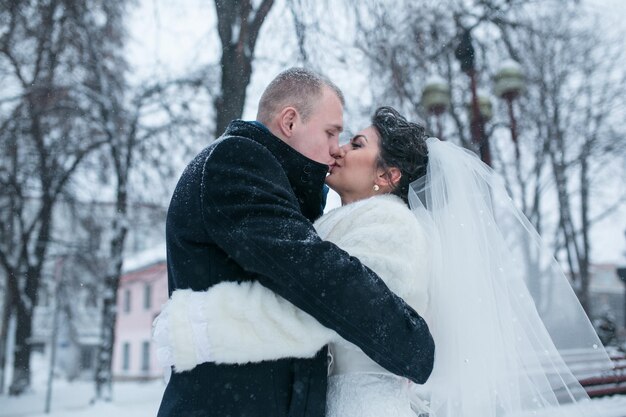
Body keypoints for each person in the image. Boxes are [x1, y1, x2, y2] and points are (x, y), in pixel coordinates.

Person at [155, 106, 612, 417]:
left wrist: (200, 327)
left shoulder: (390, 227)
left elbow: (327, 309)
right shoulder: (351, 221)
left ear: (387, 176)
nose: (337, 150)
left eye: (354, 143)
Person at [156, 69, 435, 417]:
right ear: (290, 122)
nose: (337, 148)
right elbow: (314, 273)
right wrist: (411, 342)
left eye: (349, 140)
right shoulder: (238, 161)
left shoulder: (286, 187)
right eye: (331, 132)